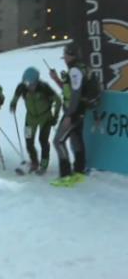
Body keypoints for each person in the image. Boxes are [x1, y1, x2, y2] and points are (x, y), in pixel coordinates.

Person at [48, 44, 92, 186]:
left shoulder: (74, 71)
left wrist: (69, 115)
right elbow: (69, 90)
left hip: (73, 112)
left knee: (58, 141)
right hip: (79, 111)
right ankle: (79, 171)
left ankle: (66, 175)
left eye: (66, 56)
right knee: (76, 139)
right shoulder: (80, 68)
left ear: (71, 56)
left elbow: (75, 94)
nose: (65, 59)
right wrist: (56, 79)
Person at [10, 67, 62, 174]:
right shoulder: (22, 87)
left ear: (37, 81)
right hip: (30, 118)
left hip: (45, 117)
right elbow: (15, 97)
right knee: (29, 141)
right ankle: (34, 162)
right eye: (27, 84)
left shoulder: (44, 88)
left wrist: (55, 116)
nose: (29, 87)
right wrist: (13, 104)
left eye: (32, 84)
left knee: (43, 140)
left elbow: (57, 100)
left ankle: (44, 163)